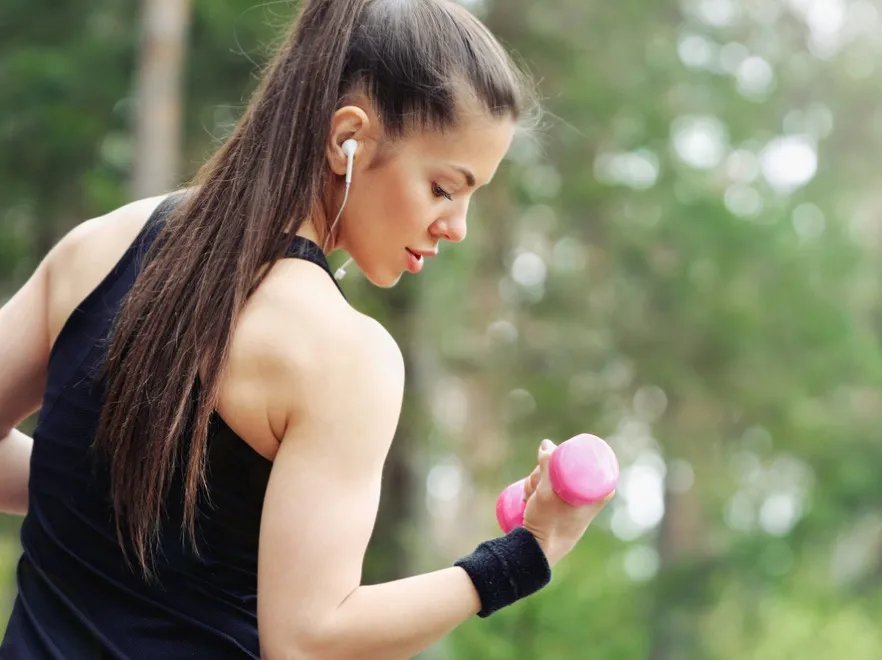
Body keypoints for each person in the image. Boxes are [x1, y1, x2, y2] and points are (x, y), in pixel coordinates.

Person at [0, 0, 613, 657]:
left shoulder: (104, 243)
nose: (456, 226)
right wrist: (524, 556)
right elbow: (310, 639)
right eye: (443, 188)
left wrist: (95, 497)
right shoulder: (344, 358)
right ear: (348, 138)